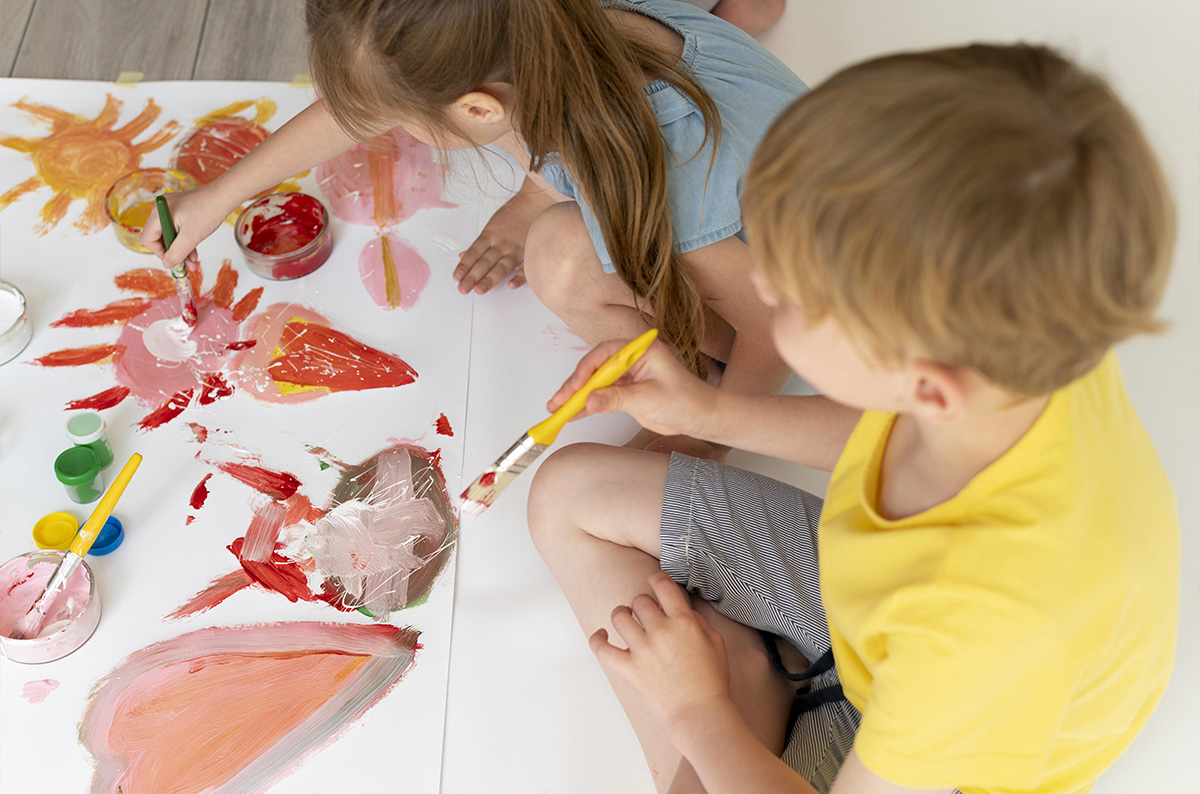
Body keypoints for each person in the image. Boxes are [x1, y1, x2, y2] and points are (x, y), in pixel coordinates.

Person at [527, 43, 1179, 794]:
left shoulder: (979, 630)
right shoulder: (1027, 328)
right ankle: (757, 672)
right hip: (873, 619)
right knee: (568, 493)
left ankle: (746, 686)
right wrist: (708, 410)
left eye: (797, 295)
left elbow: (948, 641)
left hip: (925, 723)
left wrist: (697, 711)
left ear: (927, 387)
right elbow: (883, 435)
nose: (761, 280)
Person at [140, 0, 808, 459]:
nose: (394, 132)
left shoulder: (671, 172)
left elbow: (776, 331)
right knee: (550, 231)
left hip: (810, 297)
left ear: (479, 108)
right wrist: (219, 196)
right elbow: (365, 107)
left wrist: (712, 435)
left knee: (558, 256)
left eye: (406, 122)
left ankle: (697, 382)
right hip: (737, 211)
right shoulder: (534, 37)